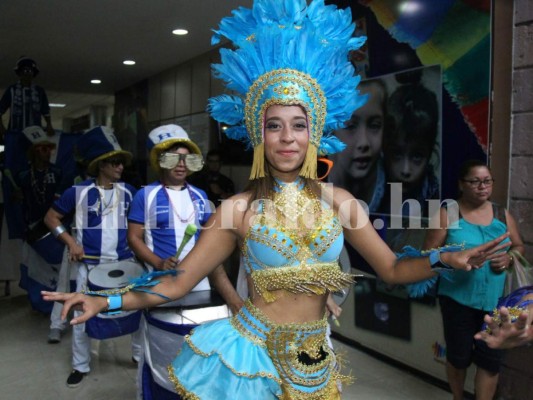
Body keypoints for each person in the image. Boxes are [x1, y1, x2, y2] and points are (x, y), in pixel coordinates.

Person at [43, 1, 510, 398]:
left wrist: (448, 257)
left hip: (315, 353)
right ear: (257, 133)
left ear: (316, 133)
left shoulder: (341, 202)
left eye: (299, 124)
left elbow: (392, 270)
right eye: (274, 125)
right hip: (251, 356)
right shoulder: (237, 210)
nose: (287, 138)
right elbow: (177, 283)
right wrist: (104, 301)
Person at [126, 124, 243, 397]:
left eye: (186, 159)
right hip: (161, 283)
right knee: (159, 348)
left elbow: (211, 245)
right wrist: (157, 262)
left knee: (199, 348)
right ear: (160, 162)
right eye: (173, 158)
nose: (181, 165)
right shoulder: (145, 195)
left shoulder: (201, 197)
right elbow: (134, 238)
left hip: (200, 286)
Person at [44, 126, 142, 388]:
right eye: (114, 162)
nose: (120, 167)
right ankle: (80, 365)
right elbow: (51, 218)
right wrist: (70, 241)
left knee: (137, 311)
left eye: (121, 162)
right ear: (100, 165)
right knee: (81, 317)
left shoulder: (130, 191)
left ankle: (138, 357)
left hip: (125, 264)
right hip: (89, 265)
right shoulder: (77, 192)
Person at [423, 159, 525, 400]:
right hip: (457, 300)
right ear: (461, 184)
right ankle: (458, 397)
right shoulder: (448, 213)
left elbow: (519, 246)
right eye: (475, 181)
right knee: (459, 358)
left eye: (487, 181)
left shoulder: (501, 213)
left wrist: (510, 258)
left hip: (496, 303)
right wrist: (454, 259)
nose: (483, 187)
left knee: (490, 360)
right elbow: (427, 256)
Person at [381, 69, 440, 218]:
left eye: (417, 156)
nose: (406, 171)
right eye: (396, 154)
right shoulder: (374, 185)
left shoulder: (431, 190)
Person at [328, 78, 387, 213]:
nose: (364, 142)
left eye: (374, 126)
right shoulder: (309, 181)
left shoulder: (397, 183)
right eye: (350, 126)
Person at [0, 57, 54, 142]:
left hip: (35, 135)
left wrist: (49, 125)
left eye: (30, 71)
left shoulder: (39, 91)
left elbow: (45, 110)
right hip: (15, 133)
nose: (27, 73)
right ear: (19, 73)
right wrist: (1, 127)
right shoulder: (12, 90)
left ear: (33, 73)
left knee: (34, 154)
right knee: (15, 154)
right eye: (24, 70)